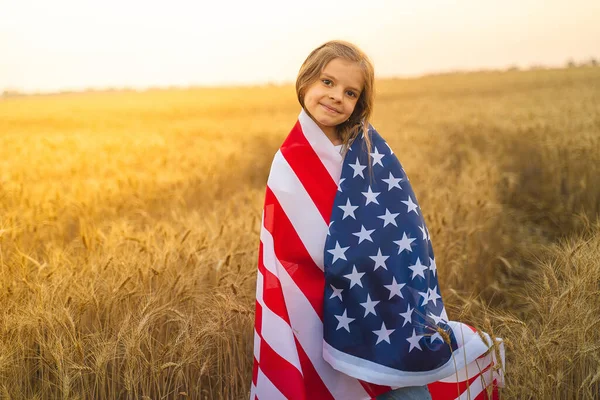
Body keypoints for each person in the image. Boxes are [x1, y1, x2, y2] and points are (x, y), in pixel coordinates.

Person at [250, 40, 501, 400]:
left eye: (350, 92)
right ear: (305, 81)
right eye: (327, 82)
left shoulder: (370, 150)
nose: (336, 96)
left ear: (359, 103)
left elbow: (405, 226)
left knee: (407, 391)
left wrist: (375, 269)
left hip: (384, 300)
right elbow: (285, 250)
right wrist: (344, 265)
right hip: (319, 310)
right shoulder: (288, 163)